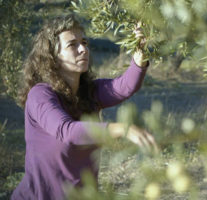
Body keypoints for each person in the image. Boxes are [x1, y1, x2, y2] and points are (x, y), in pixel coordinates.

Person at [11, 14, 157, 200]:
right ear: (52, 57)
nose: (83, 49)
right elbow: (67, 131)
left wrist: (141, 50)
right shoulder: (40, 95)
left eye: (84, 42)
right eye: (72, 44)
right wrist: (121, 129)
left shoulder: (90, 91)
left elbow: (126, 86)